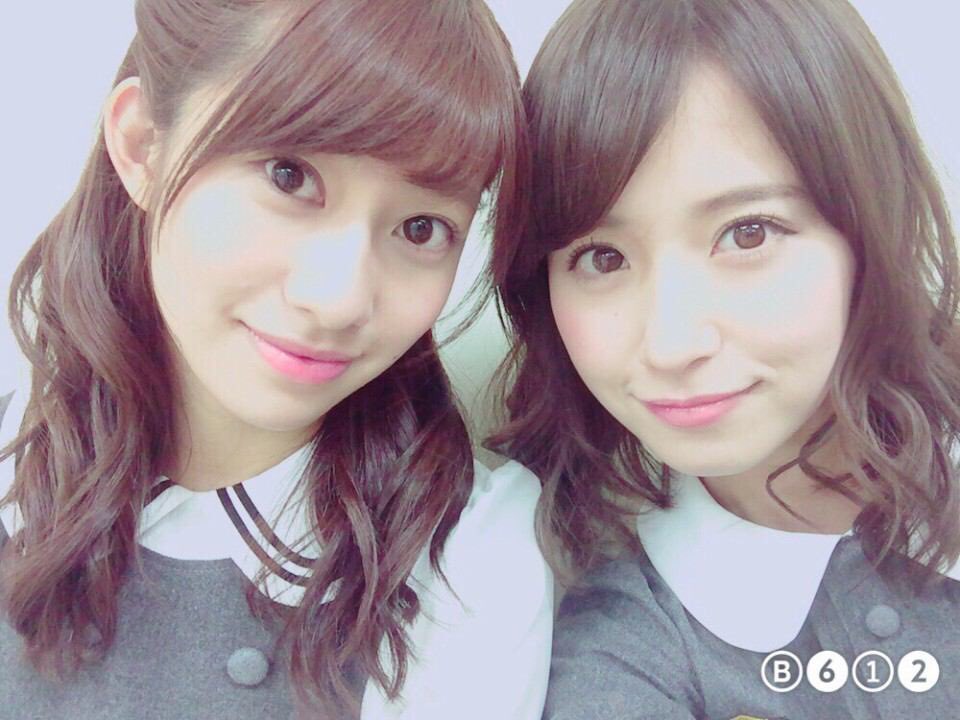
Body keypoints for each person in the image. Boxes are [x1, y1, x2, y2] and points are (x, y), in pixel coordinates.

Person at [0, 1, 552, 718]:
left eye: (421, 228)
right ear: (143, 145)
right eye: (288, 176)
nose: (338, 299)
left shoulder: (465, 554)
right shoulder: (18, 458)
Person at [488, 0, 960, 717]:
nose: (672, 345)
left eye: (748, 234)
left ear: (871, 224)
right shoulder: (629, 646)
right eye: (602, 257)